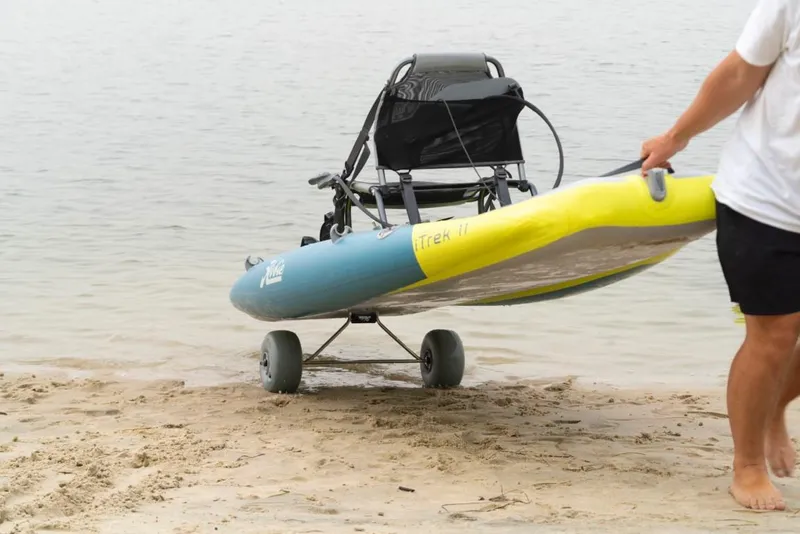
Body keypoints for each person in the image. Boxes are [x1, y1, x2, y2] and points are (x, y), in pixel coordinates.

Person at [639, 0, 800, 512]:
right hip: (767, 197)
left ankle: (772, 402)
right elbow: (739, 73)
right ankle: (747, 465)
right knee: (775, 334)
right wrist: (674, 138)